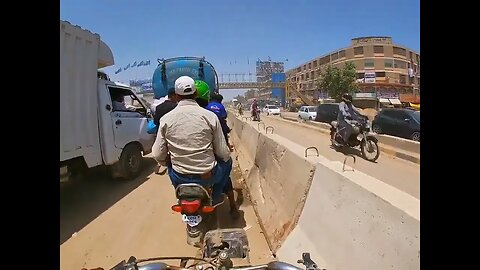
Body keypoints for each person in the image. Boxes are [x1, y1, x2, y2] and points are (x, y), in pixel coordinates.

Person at [152, 76, 232, 205]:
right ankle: (216, 195)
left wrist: (166, 162)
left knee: (170, 169)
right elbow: (223, 152)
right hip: (207, 175)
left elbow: (157, 154)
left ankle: (180, 195)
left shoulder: (166, 119)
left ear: (176, 96)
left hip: (180, 175)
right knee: (228, 162)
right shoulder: (210, 117)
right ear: (195, 93)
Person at [205, 92, 239, 218]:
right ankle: (233, 207)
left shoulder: (205, 111)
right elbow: (224, 128)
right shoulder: (220, 112)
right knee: (226, 169)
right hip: (218, 147)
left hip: (204, 150)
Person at [153, 87, 178, 174]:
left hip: (161, 132)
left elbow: (156, 121)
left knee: (162, 150)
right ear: (174, 96)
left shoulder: (159, 107)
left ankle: (159, 165)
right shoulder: (176, 107)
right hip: (172, 133)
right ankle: (170, 169)